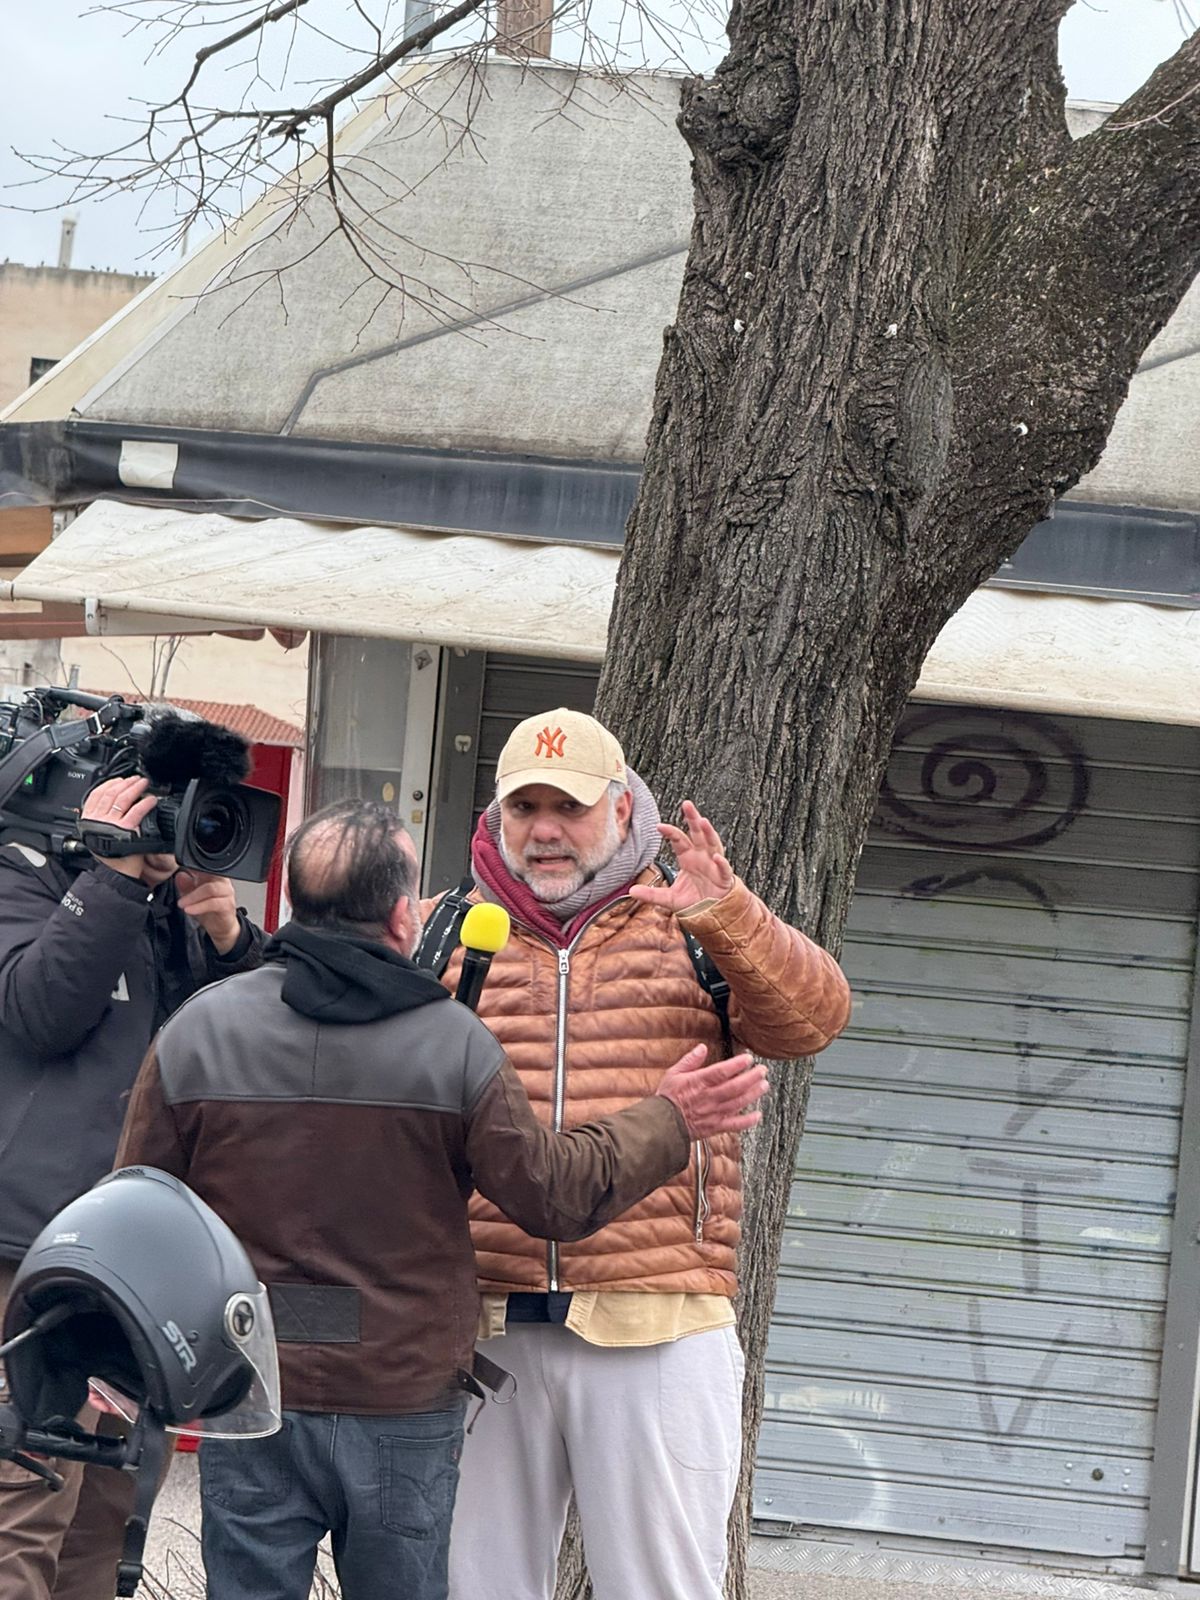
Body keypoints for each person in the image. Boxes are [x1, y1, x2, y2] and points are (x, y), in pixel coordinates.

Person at [114, 798, 767, 1600]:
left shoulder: (198, 1031)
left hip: (253, 1384)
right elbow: (554, 1197)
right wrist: (670, 1117)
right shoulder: (451, 1043)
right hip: (401, 1398)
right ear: (401, 916)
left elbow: (136, 1214)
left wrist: (128, 1359)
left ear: (294, 903)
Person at [428, 709, 853, 1600]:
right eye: (525, 807)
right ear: (497, 815)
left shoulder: (691, 924)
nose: (545, 830)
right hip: (483, 1321)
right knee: (472, 1587)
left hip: (656, 1320)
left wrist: (730, 915)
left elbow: (813, 1021)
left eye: (570, 806)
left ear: (622, 809)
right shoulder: (445, 933)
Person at [0, 771, 262, 1600]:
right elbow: (41, 1011)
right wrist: (110, 877)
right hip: (30, 1255)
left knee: (107, 1512)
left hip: (140, 1264)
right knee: (26, 1497)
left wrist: (226, 938)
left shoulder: (167, 917)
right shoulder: (22, 874)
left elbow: (233, 1055)